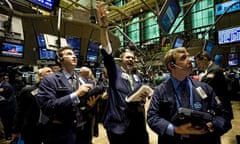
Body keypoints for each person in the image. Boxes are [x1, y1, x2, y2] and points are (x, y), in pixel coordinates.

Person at [147, 47, 232, 144]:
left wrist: (213, 125)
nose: (190, 60)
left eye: (188, 56)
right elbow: (152, 117)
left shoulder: (205, 88)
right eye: (183, 58)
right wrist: (175, 130)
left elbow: (222, 114)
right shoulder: (160, 91)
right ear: (171, 66)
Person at [96, 2, 149, 144]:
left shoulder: (138, 77)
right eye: (127, 57)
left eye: (132, 58)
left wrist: (142, 97)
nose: (131, 59)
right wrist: (103, 28)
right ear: (121, 60)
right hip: (119, 126)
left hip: (137, 125)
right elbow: (107, 52)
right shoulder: (115, 72)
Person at [37, 46, 93, 144]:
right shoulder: (50, 80)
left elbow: (83, 104)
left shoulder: (82, 80)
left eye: (74, 54)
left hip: (82, 130)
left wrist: (90, 104)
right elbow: (48, 106)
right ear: (60, 59)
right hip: (62, 132)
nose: (74, 56)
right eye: (69, 54)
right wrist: (76, 94)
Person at [12, 67, 53, 144]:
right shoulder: (27, 91)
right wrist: (16, 129)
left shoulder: (55, 91)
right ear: (41, 76)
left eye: (52, 72)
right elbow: (20, 112)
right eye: (48, 71)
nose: (52, 73)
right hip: (31, 129)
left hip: (49, 129)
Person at [195, 51, 233, 120]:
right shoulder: (210, 69)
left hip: (221, 105)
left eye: (199, 63)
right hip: (217, 104)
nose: (199, 66)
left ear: (205, 59)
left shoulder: (214, 70)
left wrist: (197, 83)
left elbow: (205, 87)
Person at [0, 72, 16, 141]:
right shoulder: (3, 85)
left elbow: (7, 98)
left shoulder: (5, 85)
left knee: (7, 123)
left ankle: (9, 136)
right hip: (6, 107)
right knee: (7, 123)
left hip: (7, 108)